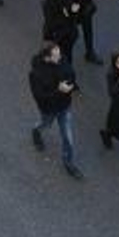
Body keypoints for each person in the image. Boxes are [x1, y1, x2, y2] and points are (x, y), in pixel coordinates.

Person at [29, 41, 83, 179]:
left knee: (68, 137)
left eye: (59, 53)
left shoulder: (60, 58)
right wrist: (59, 91)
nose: (60, 57)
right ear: (47, 58)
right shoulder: (36, 74)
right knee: (45, 124)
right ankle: (36, 131)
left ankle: (68, 162)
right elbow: (41, 97)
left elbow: (70, 72)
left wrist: (71, 84)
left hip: (64, 106)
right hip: (49, 109)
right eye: (56, 55)